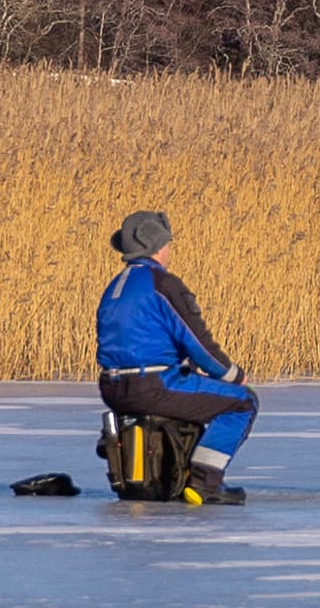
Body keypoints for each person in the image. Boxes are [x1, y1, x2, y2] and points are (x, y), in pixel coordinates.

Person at [95, 209, 254, 504]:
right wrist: (232, 375)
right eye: (168, 244)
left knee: (194, 391)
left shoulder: (115, 287)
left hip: (113, 388)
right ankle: (205, 484)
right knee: (242, 402)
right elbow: (197, 341)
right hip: (153, 386)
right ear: (156, 246)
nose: (169, 251)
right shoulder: (162, 284)